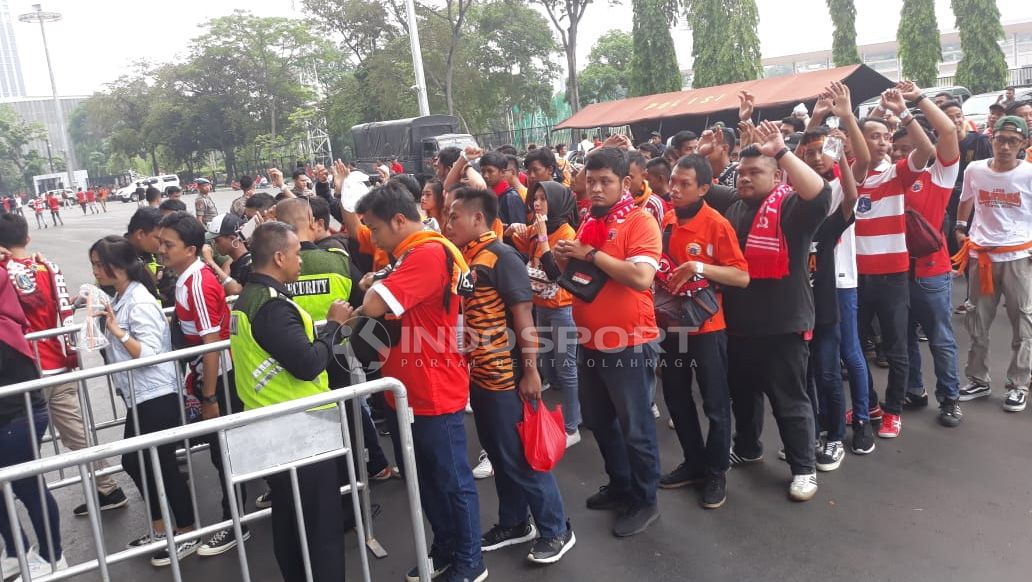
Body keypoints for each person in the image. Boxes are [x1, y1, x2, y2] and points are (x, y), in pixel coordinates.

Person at [342, 183, 485, 582]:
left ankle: (471, 560)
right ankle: (446, 547)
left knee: (452, 480)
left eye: (376, 230)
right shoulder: (412, 253)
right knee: (426, 479)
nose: (374, 239)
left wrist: (373, 286)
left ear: (399, 220)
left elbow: (372, 304)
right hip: (407, 383)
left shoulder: (426, 253)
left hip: (433, 387)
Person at [446, 187, 576, 564]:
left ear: (478, 219)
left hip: (508, 377)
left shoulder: (502, 255)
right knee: (501, 457)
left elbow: (524, 318)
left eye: (455, 216)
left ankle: (557, 529)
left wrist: (531, 372)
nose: (449, 223)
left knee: (522, 457)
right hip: (481, 377)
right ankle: (515, 523)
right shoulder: (466, 256)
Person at [229, 221, 348, 582]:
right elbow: (308, 363)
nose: (300, 261)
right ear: (279, 257)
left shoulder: (250, 298)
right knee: (319, 528)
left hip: (274, 424)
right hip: (300, 428)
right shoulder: (272, 306)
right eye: (297, 253)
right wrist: (332, 326)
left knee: (290, 519)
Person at [553, 147, 663, 537]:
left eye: (606, 182)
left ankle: (645, 499)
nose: (596, 188)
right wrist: (565, 258)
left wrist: (591, 253)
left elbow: (640, 278)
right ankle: (621, 485)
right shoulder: (589, 221)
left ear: (625, 184)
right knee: (600, 421)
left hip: (628, 341)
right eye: (592, 180)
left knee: (636, 427)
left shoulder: (640, 222)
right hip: (590, 340)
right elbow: (582, 276)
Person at [722, 120, 832, 501]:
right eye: (741, 173)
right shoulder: (734, 208)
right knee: (744, 395)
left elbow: (820, 195)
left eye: (756, 172)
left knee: (789, 399)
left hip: (783, 324)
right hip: (739, 325)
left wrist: (781, 149)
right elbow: (696, 186)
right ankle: (749, 447)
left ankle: (804, 468)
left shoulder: (790, 208)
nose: (746, 179)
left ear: (777, 175)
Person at [0, 216, 130, 515]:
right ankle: (108, 488)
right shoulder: (47, 266)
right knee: (76, 435)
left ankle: (20, 503)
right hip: (58, 364)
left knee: (15, 443)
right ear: (27, 238)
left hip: (23, 373)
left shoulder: (3, 273)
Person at [88, 236, 197, 567]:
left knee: (155, 462)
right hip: (141, 395)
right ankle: (163, 528)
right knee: (139, 461)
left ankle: (186, 531)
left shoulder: (139, 301)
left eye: (97, 264)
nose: (94, 270)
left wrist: (117, 331)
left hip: (158, 393)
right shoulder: (121, 297)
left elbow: (148, 354)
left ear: (116, 266)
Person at [655, 154, 749, 506]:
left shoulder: (716, 224)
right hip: (672, 327)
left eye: (684, 184)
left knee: (714, 403)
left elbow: (741, 276)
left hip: (708, 327)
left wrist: (699, 266)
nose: (674, 188)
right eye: (673, 181)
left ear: (705, 188)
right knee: (677, 400)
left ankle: (715, 471)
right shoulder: (665, 219)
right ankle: (694, 462)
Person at [157, 211, 250, 555]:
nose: (162, 250)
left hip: (220, 378)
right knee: (224, 450)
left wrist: (209, 395)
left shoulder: (196, 283)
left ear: (192, 249)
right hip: (209, 376)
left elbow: (212, 345)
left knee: (222, 453)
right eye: (161, 243)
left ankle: (235, 524)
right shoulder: (187, 278)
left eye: (169, 245)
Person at [797, 83, 877, 455]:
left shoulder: (841, 184)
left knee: (848, 356)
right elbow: (791, 161)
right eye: (809, 153)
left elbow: (856, 167)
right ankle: (819, 429)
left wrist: (844, 117)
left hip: (839, 282)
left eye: (822, 152)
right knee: (815, 369)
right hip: (805, 292)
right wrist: (814, 118)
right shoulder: (799, 194)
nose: (816, 158)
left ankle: (859, 421)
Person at [853, 85, 936, 439]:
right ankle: (867, 403)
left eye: (886, 138)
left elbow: (928, 149)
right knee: (853, 349)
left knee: (896, 347)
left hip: (891, 276)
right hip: (854, 278)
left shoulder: (897, 173)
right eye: (874, 137)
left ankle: (893, 409)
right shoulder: (848, 178)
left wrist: (904, 111)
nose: (883, 143)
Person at [890, 88, 965, 427]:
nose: (903, 154)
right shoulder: (892, 175)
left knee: (940, 338)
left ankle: (950, 398)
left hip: (932, 273)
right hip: (896, 272)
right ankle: (914, 389)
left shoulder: (940, 173)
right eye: (898, 149)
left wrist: (916, 100)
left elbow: (948, 131)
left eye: (910, 148)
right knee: (903, 339)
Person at [953, 116, 1032, 411]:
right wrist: (961, 225)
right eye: (1000, 139)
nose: (1005, 146)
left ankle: (1018, 383)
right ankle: (978, 379)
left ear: (1023, 144)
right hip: (981, 256)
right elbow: (966, 198)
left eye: (1013, 140)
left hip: (1018, 257)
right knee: (977, 321)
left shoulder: (1028, 174)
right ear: (991, 140)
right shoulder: (975, 170)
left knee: (1023, 322)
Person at [0, 267, 67, 581]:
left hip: (16, 418)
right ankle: (16, 551)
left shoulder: (3, 331)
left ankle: (52, 556)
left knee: (29, 487)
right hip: (14, 417)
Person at [505, 181, 582, 444]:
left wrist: (538, 240)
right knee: (548, 363)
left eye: (542, 199)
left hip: (562, 308)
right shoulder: (540, 228)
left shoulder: (565, 232)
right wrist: (514, 229)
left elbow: (556, 276)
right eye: (535, 199)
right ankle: (562, 411)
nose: (536, 204)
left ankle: (572, 427)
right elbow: (513, 237)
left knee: (567, 367)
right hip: (541, 307)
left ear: (557, 202)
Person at [203, 213, 250, 296]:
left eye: (217, 241)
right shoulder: (234, 262)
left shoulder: (249, 263)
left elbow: (235, 291)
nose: (214, 245)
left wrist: (210, 261)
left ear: (232, 238)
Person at [627, 152, 666, 224]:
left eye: (630, 177)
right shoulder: (612, 201)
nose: (625, 182)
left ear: (644, 175)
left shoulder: (654, 205)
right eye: (621, 177)